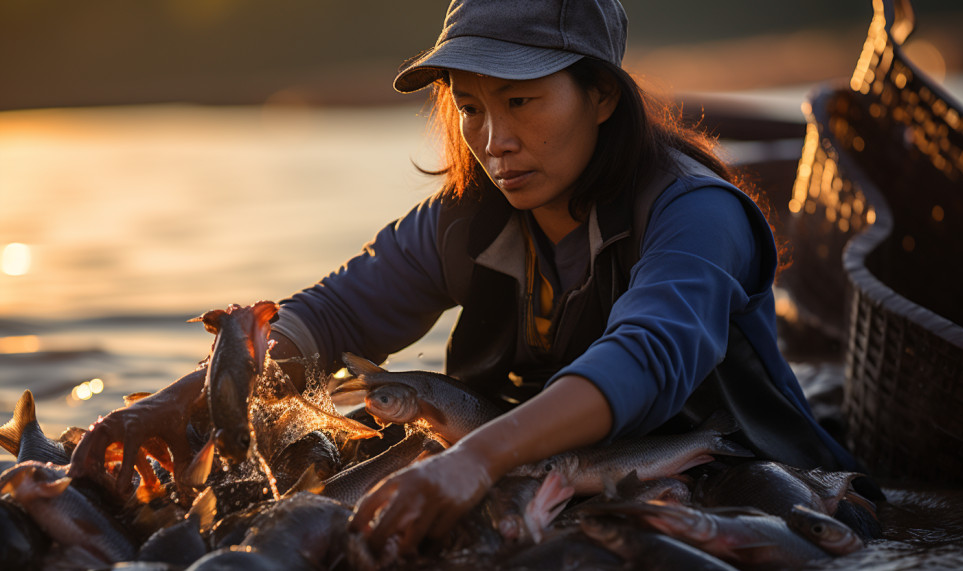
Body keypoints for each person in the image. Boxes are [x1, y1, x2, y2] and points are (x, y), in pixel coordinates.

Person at [70, 0, 878, 561]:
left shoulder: (696, 213)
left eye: (522, 102)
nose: (495, 141)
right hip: (559, 476)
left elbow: (647, 357)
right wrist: (175, 401)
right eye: (471, 107)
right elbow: (332, 319)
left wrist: (472, 460)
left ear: (601, 95)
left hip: (747, 484)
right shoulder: (465, 219)